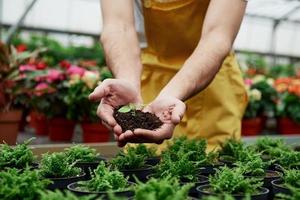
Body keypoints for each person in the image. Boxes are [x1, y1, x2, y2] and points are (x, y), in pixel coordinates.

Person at [89, 0, 248, 151]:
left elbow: (217, 36)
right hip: (152, 82)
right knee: (145, 162)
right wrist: (127, 81)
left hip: (212, 84)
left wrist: (171, 94)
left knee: (212, 163)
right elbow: (119, 26)